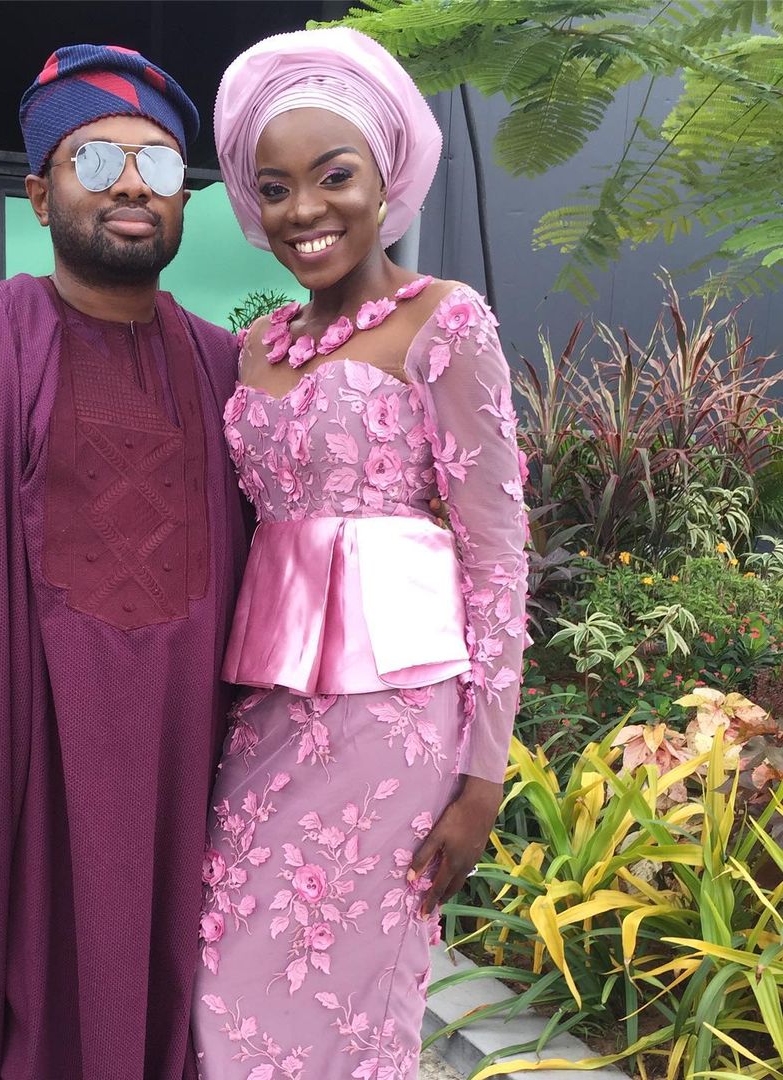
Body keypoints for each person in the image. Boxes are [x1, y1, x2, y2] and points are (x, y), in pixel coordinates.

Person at [0, 44, 247, 1080]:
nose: (132, 185)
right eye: (96, 159)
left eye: (160, 165)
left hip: (176, 787)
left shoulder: (233, 375)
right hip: (6, 783)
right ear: (38, 194)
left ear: (185, 198)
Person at [191, 28, 529, 1078]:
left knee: (342, 1007)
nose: (305, 210)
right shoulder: (257, 347)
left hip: (395, 724)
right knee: (217, 981)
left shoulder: (448, 323)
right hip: (263, 713)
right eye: (275, 188)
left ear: (388, 178)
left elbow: (498, 558)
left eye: (334, 176)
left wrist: (482, 777)